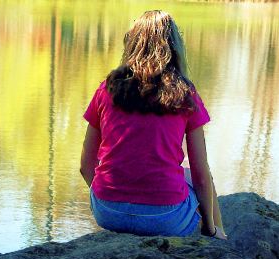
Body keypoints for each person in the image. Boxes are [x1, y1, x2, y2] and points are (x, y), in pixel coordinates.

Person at [80, 10, 227, 240]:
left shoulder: (106, 89)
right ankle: (219, 235)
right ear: (174, 47)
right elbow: (200, 174)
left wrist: (106, 199)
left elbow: (85, 165)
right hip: (165, 217)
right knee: (192, 174)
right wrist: (208, 227)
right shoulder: (184, 93)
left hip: (107, 212)